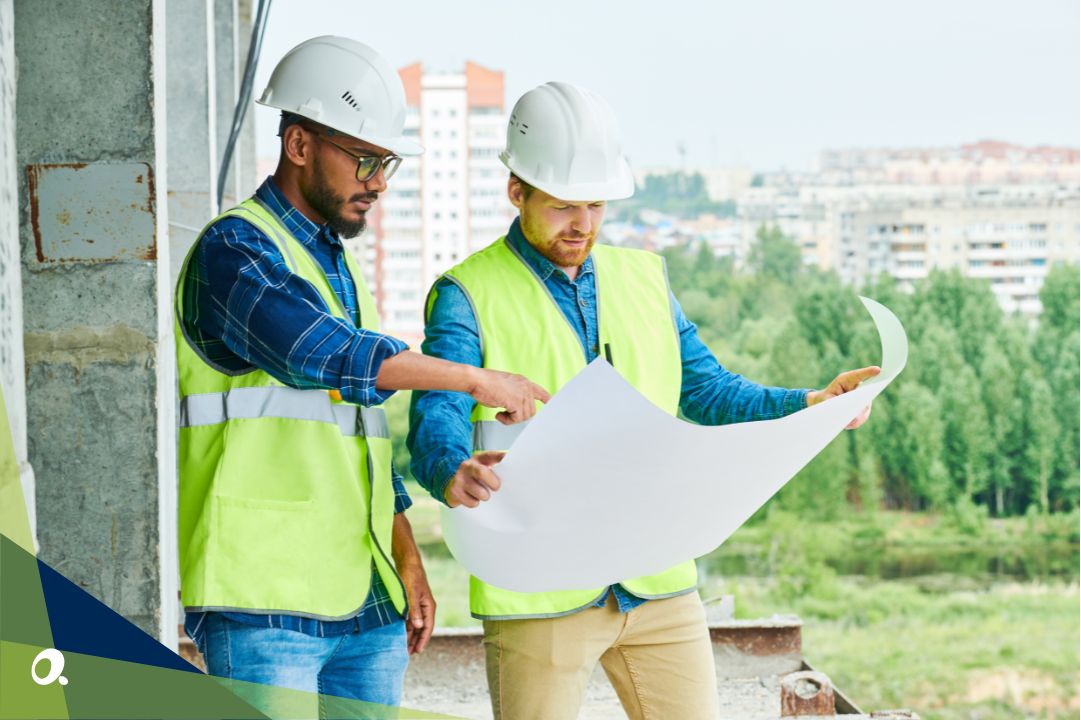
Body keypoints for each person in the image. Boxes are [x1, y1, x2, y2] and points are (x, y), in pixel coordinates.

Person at [408, 81, 877, 720]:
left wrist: (814, 403)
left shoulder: (645, 280)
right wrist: (447, 468)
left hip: (654, 579)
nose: (583, 225)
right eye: (563, 205)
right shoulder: (466, 293)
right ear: (516, 190)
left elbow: (710, 392)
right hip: (540, 582)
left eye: (597, 205)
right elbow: (437, 416)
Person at [174, 37, 549, 712]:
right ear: (299, 145)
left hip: (364, 602)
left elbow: (362, 441)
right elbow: (314, 353)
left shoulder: (337, 270)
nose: (378, 181)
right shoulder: (233, 251)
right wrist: (471, 379)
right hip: (264, 605)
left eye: (387, 163)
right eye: (365, 160)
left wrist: (407, 560)